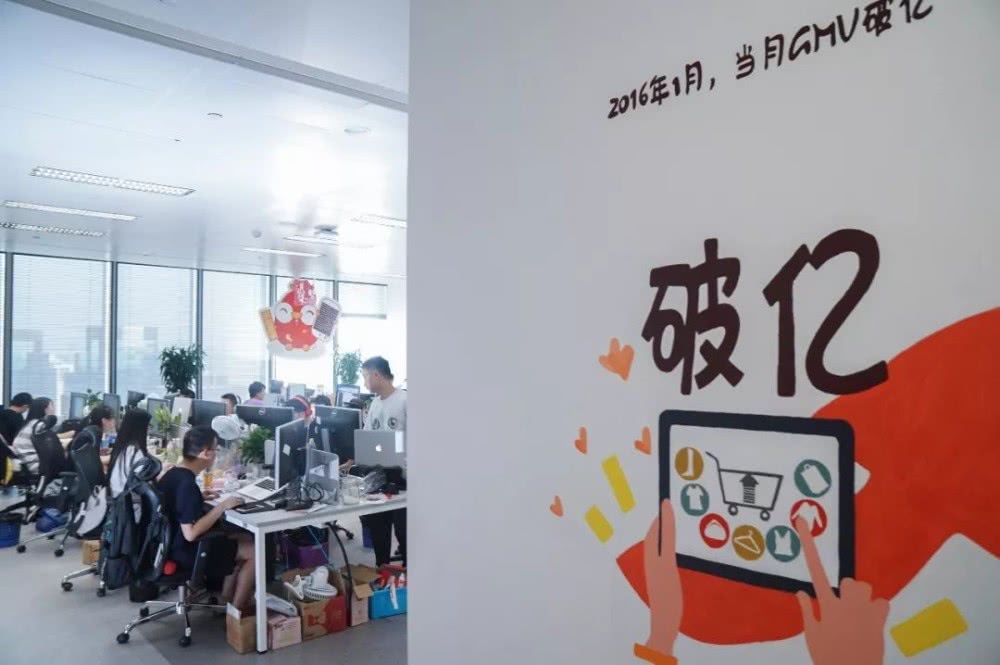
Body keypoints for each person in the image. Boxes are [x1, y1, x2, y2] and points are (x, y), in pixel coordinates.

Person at [158, 426, 254, 609]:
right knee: (252, 550)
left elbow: (175, 504)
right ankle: (237, 612)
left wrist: (199, 497)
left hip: (166, 545)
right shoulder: (187, 484)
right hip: (184, 552)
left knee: (243, 537)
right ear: (206, 453)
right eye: (216, 450)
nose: (216, 455)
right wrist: (221, 507)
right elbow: (191, 534)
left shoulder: (173, 474)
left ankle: (225, 599)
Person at [359, 356, 407, 567]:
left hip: (403, 476)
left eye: (365, 377)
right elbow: (368, 436)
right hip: (379, 473)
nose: (364, 382)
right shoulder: (375, 404)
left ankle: (409, 575)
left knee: (404, 531)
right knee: (379, 527)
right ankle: (383, 570)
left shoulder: (405, 400)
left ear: (376, 375)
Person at [108, 410, 152, 498]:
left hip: (116, 491)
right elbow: (139, 481)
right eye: (148, 425)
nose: (149, 429)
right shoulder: (135, 451)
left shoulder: (124, 445)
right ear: (140, 427)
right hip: (125, 498)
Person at [12, 397, 55, 473]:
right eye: (52, 406)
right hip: (35, 465)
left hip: (25, 463)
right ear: (45, 409)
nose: (54, 409)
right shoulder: (39, 425)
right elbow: (50, 446)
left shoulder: (30, 423)